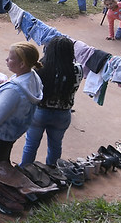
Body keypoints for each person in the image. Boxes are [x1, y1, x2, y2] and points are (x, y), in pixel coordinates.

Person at [19, 36, 82, 166]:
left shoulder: (39, 69)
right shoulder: (77, 69)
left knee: (31, 145)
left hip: (39, 112)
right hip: (63, 114)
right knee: (55, 146)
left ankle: (25, 172)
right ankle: (52, 173)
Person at [0, 42, 43, 165]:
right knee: (2, 159)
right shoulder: (33, 77)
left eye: (10, 58)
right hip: (11, 134)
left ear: (22, 64)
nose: (6, 59)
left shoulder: (13, 91)